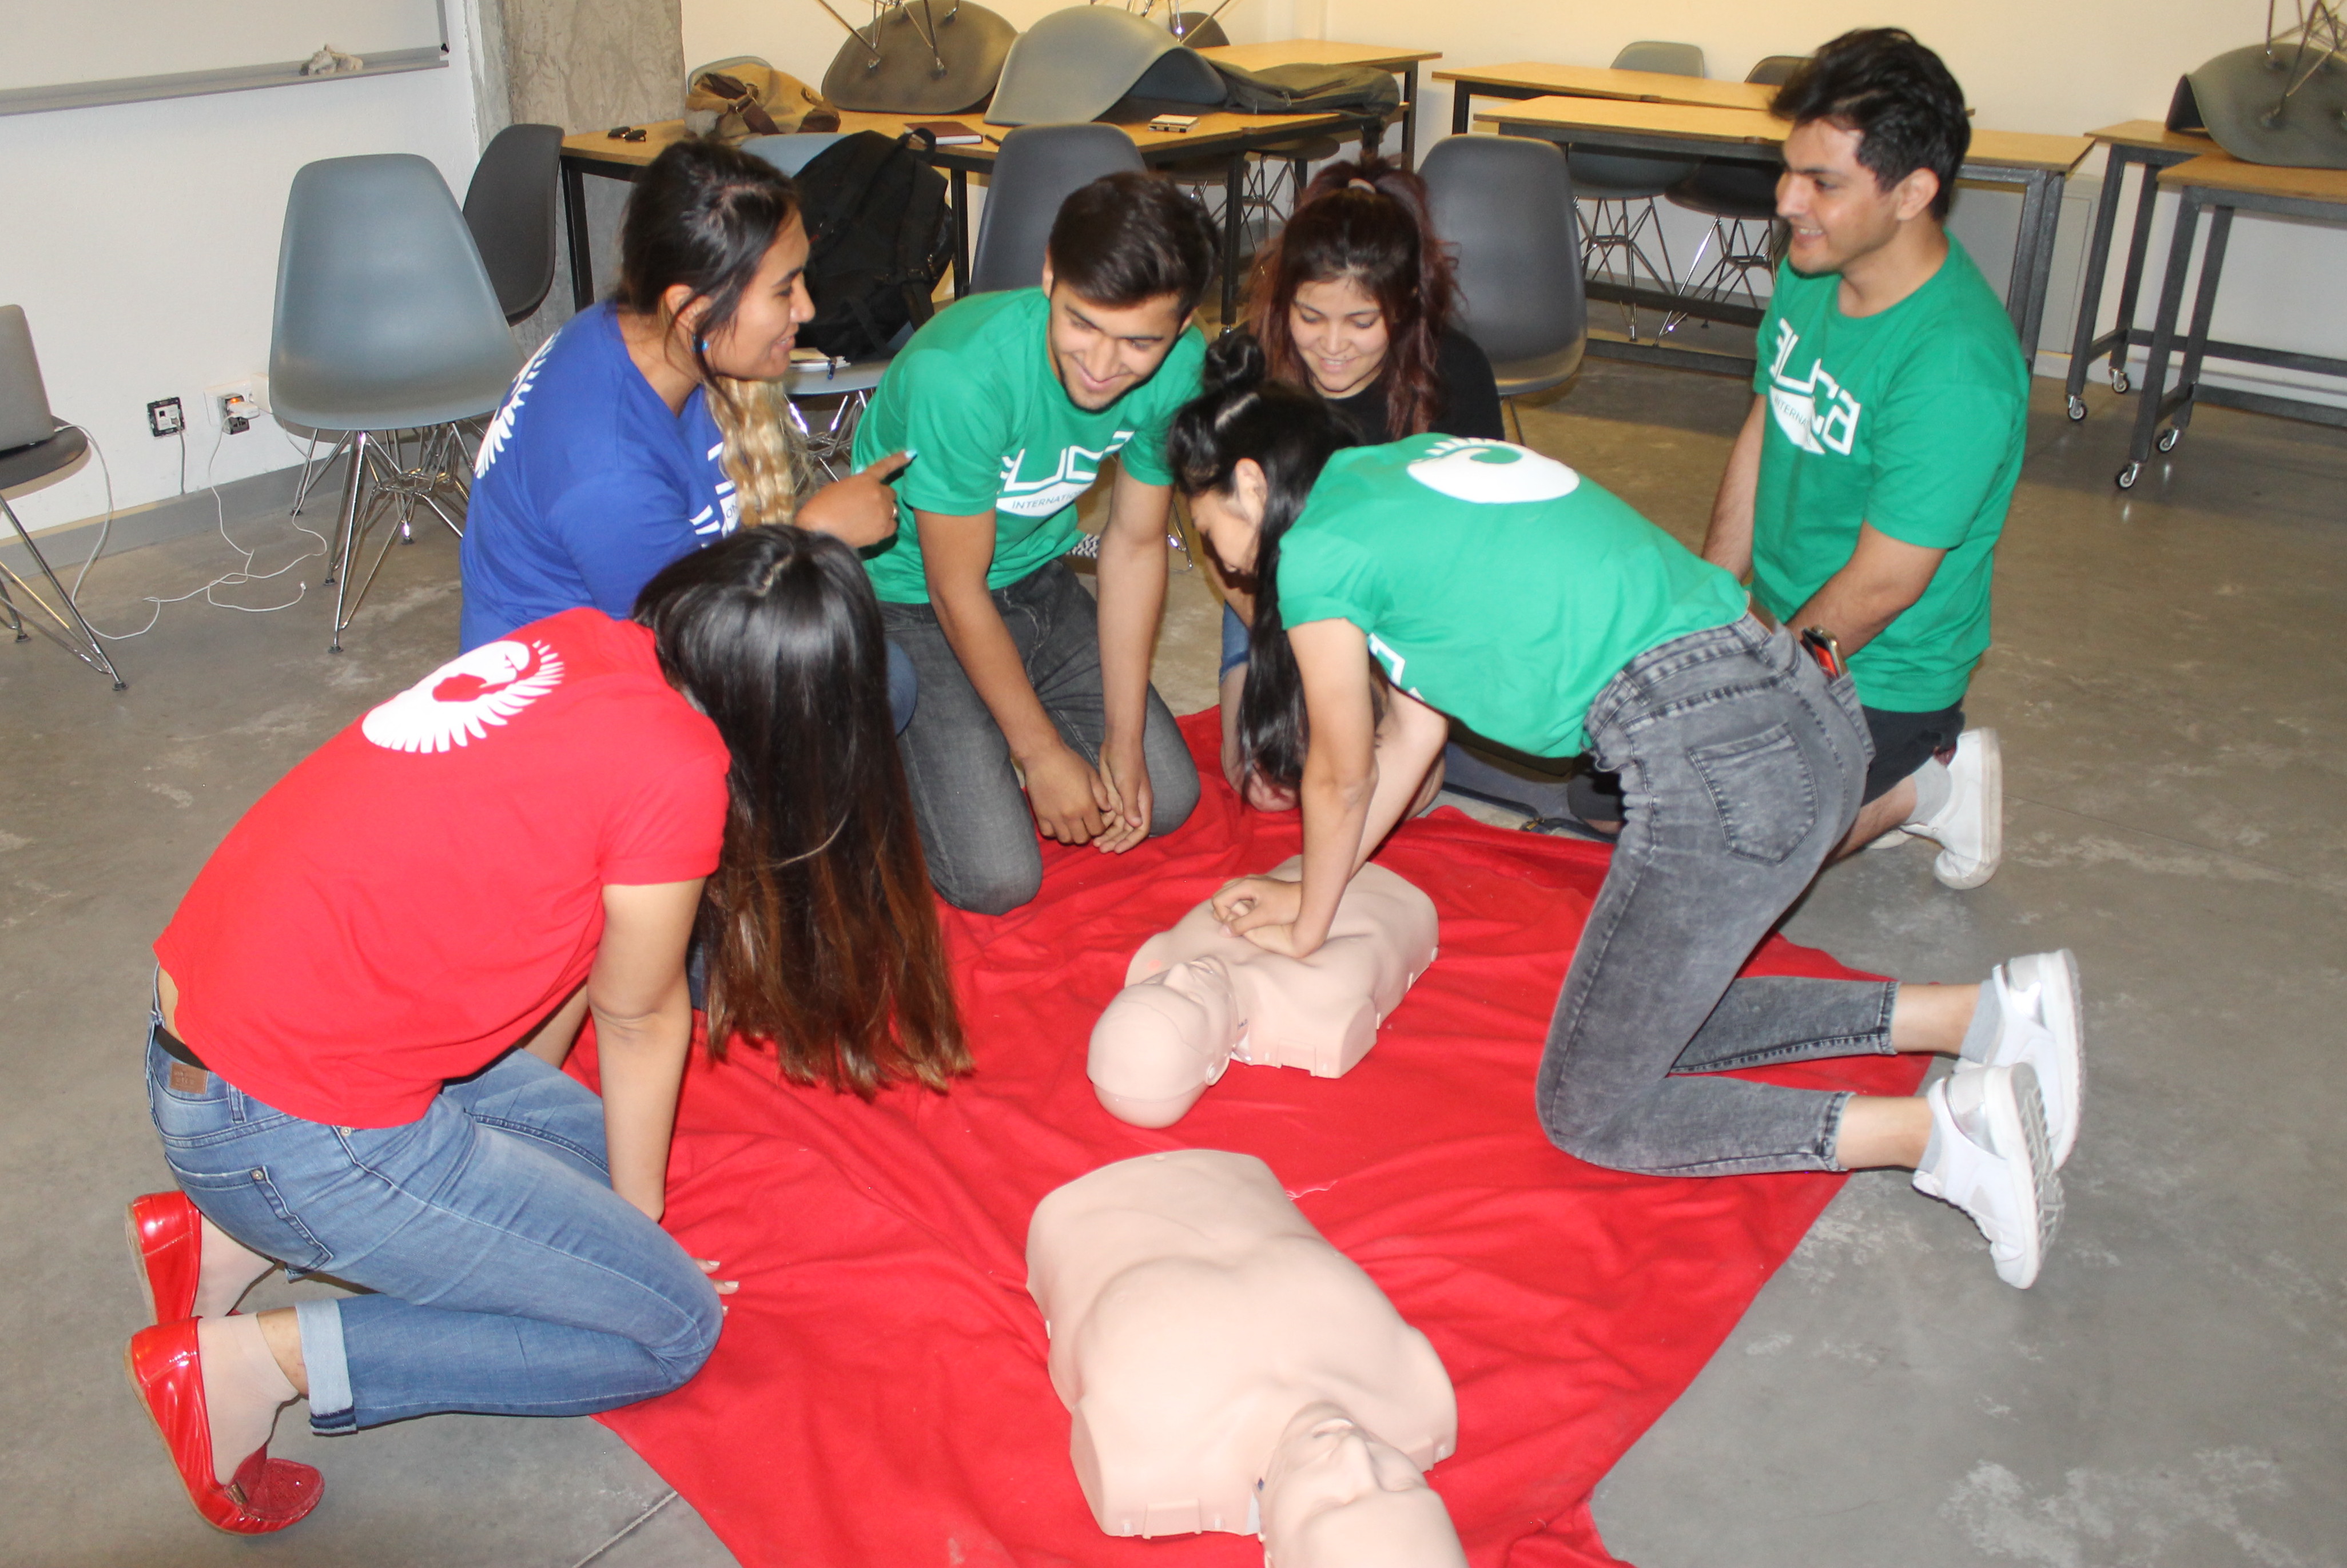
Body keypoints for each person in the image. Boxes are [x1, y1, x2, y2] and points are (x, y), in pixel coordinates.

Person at [1169, 336, 2086, 1291]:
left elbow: (1340, 772)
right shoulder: (1402, 472)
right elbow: (1409, 737)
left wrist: (1307, 922)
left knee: (1589, 1106)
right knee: (1641, 1019)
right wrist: (1311, 888)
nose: (1215, 559)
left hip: (1711, 754)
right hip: (1799, 710)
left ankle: (1939, 1134)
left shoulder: (1317, 549)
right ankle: (1985, 1013)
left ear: (1248, 485)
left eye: (1205, 529)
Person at [124, 528, 965, 1534]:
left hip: (223, 1030)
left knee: (590, 1159)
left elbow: (564, 939)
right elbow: (638, 1013)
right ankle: (254, 1364)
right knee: (669, 1326)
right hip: (284, 1120)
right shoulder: (680, 767)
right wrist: (635, 1233)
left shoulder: (583, 640)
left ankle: (218, 1235)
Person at [1697, 29, 2027, 888]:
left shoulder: (1955, 364)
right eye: (1788, 171)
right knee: (1615, 796)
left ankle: (1931, 782)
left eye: (1823, 183)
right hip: (1782, 623)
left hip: (1886, 672)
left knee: (1723, 856)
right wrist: (1702, 609)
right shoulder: (1811, 269)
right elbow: (1767, 423)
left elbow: (1883, 586)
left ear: (1913, 191)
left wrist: (1757, 694)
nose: (1787, 202)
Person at [458, 136, 918, 725]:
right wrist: (814, 538)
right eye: (784, 289)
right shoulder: (608, 469)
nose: (806, 309)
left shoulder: (636, 332)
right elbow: (692, 649)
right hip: (567, 711)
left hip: (638, 646)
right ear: (692, 309)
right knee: (873, 688)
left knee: (869, 662)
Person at [849, 172, 1211, 914]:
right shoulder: (962, 376)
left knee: (1166, 797)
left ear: (1181, 327)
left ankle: (979, 722)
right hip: (910, 598)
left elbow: (1136, 543)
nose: (1103, 365)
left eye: (1139, 342)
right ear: (1050, 275)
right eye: (1083, 324)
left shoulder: (1182, 365)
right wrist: (1039, 752)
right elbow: (954, 589)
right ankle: (891, 727)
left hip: (1037, 573)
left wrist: (1124, 735)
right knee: (997, 879)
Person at [1217, 158, 1505, 810]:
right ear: (1283, 300)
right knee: (1269, 788)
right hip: (1278, 605)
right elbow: (1225, 555)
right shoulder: (1249, 368)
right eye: (1310, 317)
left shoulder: (1456, 372)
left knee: (1409, 795)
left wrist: (1384, 679)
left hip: (1411, 612)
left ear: (1403, 309)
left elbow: (1475, 552)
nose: (1332, 346)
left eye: (1361, 323)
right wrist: (1308, 660)